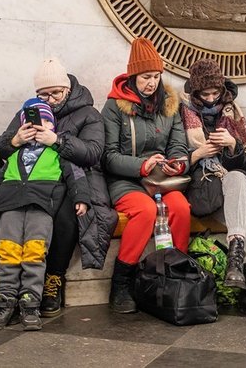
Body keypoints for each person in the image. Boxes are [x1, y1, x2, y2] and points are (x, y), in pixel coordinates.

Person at [0, 58, 116, 318]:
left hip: (73, 178)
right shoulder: (29, 111)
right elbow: (1, 148)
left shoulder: (88, 114)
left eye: (55, 93)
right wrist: (15, 140)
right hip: (32, 178)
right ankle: (0, 285)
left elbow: (92, 153)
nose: (50, 100)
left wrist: (57, 140)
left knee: (69, 213)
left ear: (67, 90)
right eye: (43, 94)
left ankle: (52, 280)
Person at [0, 99, 89, 331]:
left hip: (41, 208)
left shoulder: (57, 153)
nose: (40, 125)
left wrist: (81, 199)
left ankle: (30, 304)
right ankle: (5, 303)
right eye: (32, 122)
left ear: (53, 127)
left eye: (46, 121)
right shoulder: (14, 153)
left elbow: (76, 176)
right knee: (8, 253)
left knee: (35, 253)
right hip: (10, 207)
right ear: (21, 128)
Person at [101, 37, 190, 313]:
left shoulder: (170, 105)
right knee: (145, 211)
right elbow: (108, 156)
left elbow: (178, 145)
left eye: (156, 76)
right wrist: (141, 165)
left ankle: (175, 275)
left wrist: (178, 163)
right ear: (133, 76)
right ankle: (122, 282)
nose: (151, 83)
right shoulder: (115, 107)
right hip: (127, 180)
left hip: (161, 179)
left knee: (181, 208)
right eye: (145, 77)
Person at [181, 58, 246, 315]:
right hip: (202, 186)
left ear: (222, 90)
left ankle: (236, 260)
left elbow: (245, 163)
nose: (210, 99)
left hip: (230, 182)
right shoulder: (182, 112)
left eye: (215, 93)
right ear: (195, 92)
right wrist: (197, 153)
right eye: (204, 94)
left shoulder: (232, 111)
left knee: (240, 180)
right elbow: (172, 155)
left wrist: (232, 145)